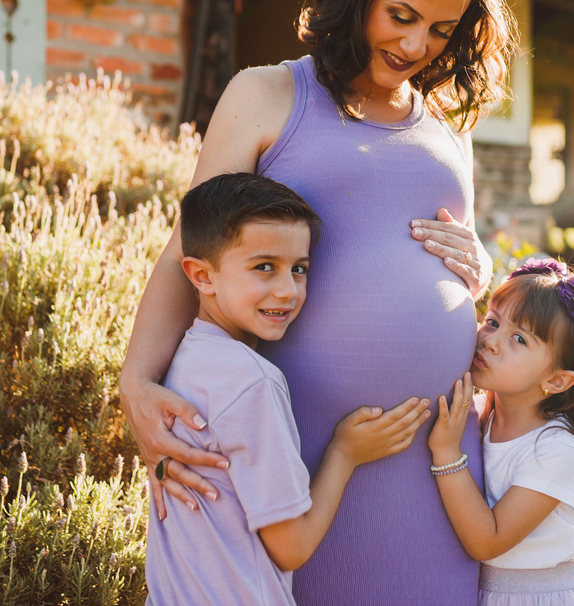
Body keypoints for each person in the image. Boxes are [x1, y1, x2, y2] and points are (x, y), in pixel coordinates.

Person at [121, 0, 518, 604]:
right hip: (301, 457)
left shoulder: (446, 134)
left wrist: (481, 272)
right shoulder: (267, 96)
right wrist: (136, 385)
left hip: (434, 466)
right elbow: (186, 252)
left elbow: (434, 255)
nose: (416, 44)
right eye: (401, 15)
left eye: (441, 30)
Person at [145, 172, 431, 605]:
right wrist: (345, 453)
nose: (287, 290)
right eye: (264, 267)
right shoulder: (251, 381)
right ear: (202, 276)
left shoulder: (185, 362)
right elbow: (291, 546)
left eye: (299, 269)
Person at [427, 259, 574, 605]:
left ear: (556, 380)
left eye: (519, 339)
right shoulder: (480, 416)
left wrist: (447, 454)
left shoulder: (558, 451)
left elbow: (487, 541)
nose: (491, 341)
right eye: (492, 321)